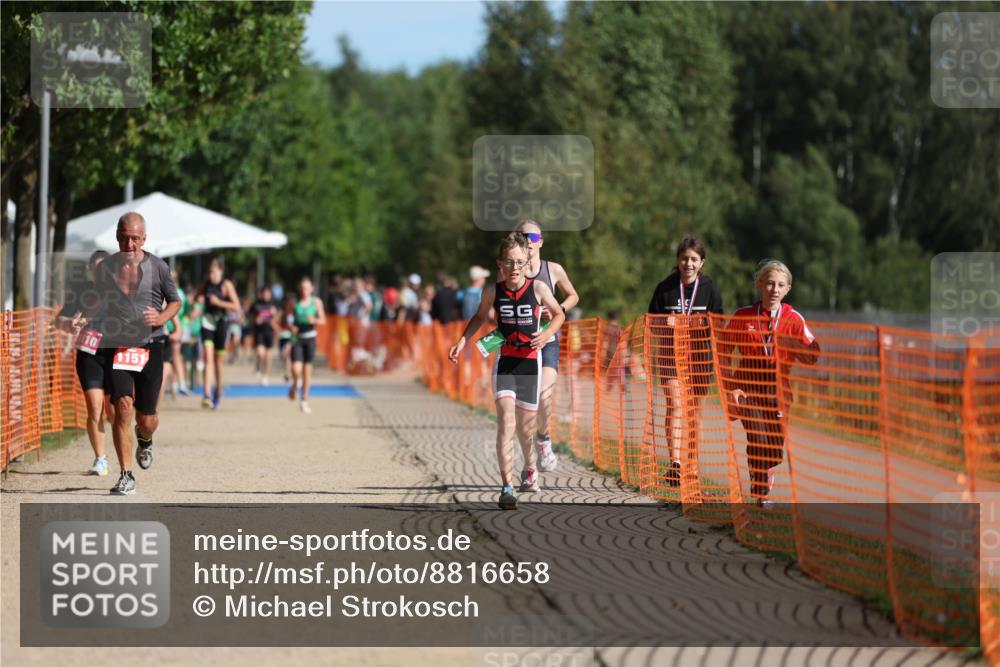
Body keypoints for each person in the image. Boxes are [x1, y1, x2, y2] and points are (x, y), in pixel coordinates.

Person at [449, 232, 565, 510]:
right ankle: (507, 487)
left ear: (527, 263)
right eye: (509, 262)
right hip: (505, 361)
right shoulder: (492, 291)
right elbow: (479, 316)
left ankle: (530, 467)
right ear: (500, 263)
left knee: (526, 429)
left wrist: (546, 332)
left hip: (530, 362)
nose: (514, 268)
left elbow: (559, 314)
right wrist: (462, 340)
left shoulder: (538, 289)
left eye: (519, 262)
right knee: (505, 422)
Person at [91, 212, 181, 495]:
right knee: (122, 410)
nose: (129, 243)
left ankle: (145, 439)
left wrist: (162, 317)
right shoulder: (105, 267)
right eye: (124, 237)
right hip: (117, 345)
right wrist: (85, 318)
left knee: (146, 419)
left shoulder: (159, 267)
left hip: (151, 345)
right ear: (117, 236)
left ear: (144, 239)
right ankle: (126, 475)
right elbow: (96, 300)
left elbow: (176, 301)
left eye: (135, 238)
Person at [718, 259, 820, 506]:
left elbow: (814, 353)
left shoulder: (793, 318)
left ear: (788, 289)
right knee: (757, 437)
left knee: (773, 447)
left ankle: (764, 472)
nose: (774, 289)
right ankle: (761, 493)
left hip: (778, 390)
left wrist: (792, 345)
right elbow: (722, 351)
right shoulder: (743, 316)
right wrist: (732, 387)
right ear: (760, 285)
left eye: (780, 285)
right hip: (748, 387)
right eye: (770, 284)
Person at [647, 236, 724, 487]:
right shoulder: (665, 288)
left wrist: (701, 323)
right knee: (676, 406)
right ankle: (675, 464)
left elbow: (718, 324)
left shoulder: (710, 289)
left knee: (695, 414)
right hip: (670, 357)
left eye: (693, 259)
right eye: (684, 258)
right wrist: (664, 324)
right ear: (677, 260)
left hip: (700, 359)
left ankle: (693, 464)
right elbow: (651, 324)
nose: (688, 263)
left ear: (702, 262)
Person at [516, 219, 579, 473]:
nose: (527, 242)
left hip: (548, 342)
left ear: (540, 241)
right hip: (522, 345)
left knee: (544, 396)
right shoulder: (513, 271)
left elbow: (573, 295)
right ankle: (530, 461)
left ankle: (544, 440)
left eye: (532, 238)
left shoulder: (553, 270)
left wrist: (557, 310)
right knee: (525, 404)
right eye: (522, 237)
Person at [53, 250, 114, 476]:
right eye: (95, 268)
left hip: (113, 354)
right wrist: (69, 323)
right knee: (95, 407)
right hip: (89, 354)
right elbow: (57, 321)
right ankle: (101, 459)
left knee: (115, 411)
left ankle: (124, 447)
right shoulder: (81, 292)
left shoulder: (119, 292)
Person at [196, 258, 241, 410]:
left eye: (214, 271)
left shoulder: (226, 285)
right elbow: (197, 297)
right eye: (209, 271)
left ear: (221, 271)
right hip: (207, 322)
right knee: (207, 357)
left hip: (222, 323)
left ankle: (218, 391)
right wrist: (198, 299)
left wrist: (219, 303)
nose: (211, 274)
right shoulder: (206, 284)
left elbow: (236, 306)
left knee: (217, 361)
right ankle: (206, 394)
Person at [289, 276, 327, 414]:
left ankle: (304, 400)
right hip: (298, 338)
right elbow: (289, 320)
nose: (304, 290)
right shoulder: (295, 303)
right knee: (296, 369)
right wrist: (291, 327)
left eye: (307, 288)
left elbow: (323, 320)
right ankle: (294, 385)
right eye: (302, 288)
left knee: (306, 371)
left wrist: (315, 320)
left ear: (312, 289)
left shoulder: (316, 302)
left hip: (310, 338)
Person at [249, 285, 278, 385]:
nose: (266, 295)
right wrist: (255, 320)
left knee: (268, 356)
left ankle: (265, 375)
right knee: (260, 353)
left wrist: (274, 315)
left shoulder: (273, 304)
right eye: (264, 293)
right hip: (259, 332)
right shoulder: (256, 304)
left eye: (268, 293)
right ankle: (258, 367)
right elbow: (249, 317)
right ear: (261, 294)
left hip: (269, 332)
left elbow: (278, 318)